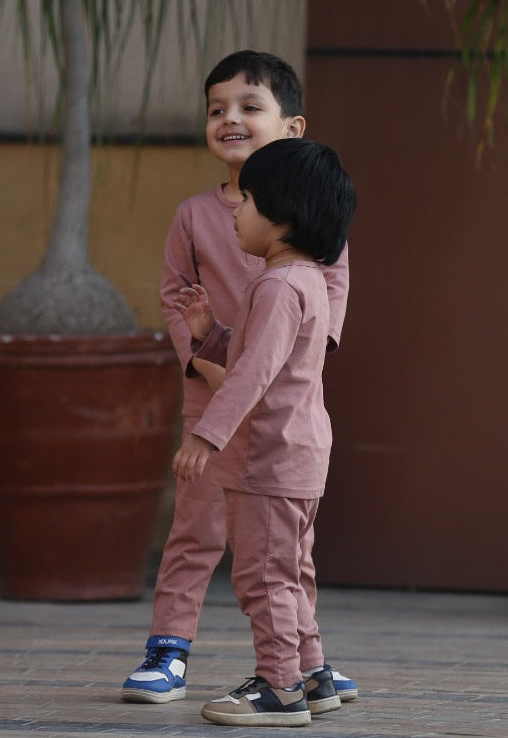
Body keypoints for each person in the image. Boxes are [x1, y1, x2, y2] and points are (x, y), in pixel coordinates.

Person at [121, 50, 357, 705]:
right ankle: (170, 649)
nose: (230, 118)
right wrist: (203, 353)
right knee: (200, 528)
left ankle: (294, 672)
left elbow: (322, 299)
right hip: (216, 397)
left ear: (292, 127)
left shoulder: (306, 224)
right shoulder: (199, 215)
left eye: (250, 107)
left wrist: (297, 354)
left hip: (276, 410)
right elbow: (175, 295)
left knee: (275, 559)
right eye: (216, 108)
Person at [173, 136, 357, 727]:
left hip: (268, 460)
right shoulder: (300, 282)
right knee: (292, 570)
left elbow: (253, 374)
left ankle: (279, 687)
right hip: (297, 458)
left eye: (247, 199)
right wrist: (209, 331)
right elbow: (262, 356)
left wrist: (206, 432)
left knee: (262, 576)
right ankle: (311, 673)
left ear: (283, 218)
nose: (236, 210)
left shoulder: (279, 286)